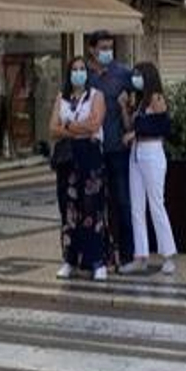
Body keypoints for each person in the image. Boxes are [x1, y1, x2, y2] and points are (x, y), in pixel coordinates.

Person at [48, 56, 112, 280]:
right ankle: (70, 259)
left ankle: (97, 261)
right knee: (69, 210)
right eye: (74, 69)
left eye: (82, 69)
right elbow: (53, 129)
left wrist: (69, 126)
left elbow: (95, 124)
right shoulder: (62, 98)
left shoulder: (96, 96)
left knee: (92, 209)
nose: (78, 73)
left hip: (90, 157)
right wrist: (77, 130)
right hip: (68, 159)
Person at [120, 62, 178, 276]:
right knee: (137, 206)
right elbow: (131, 126)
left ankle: (168, 254)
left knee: (156, 204)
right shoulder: (139, 101)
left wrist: (135, 134)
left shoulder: (157, 98)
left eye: (138, 75)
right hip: (136, 154)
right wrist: (124, 108)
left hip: (152, 152)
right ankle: (140, 255)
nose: (135, 78)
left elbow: (162, 126)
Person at [87, 31, 135, 265]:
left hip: (118, 150)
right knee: (94, 205)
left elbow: (142, 99)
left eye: (110, 47)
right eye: (103, 47)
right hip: (93, 150)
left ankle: (128, 253)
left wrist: (132, 129)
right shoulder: (85, 76)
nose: (107, 52)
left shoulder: (123, 73)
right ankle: (99, 252)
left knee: (123, 201)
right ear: (92, 49)